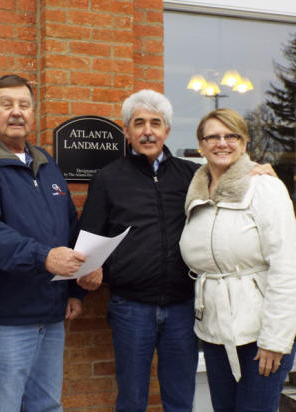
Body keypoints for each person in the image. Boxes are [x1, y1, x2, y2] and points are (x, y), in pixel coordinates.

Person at [0, 74, 101, 412]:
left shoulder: (46, 163)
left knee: (46, 406)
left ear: (33, 114)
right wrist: (44, 257)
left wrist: (76, 287)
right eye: (7, 104)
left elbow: (69, 227)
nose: (16, 112)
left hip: (51, 317)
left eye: (24, 105)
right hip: (5, 319)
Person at [78, 89, 200, 412]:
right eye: (139, 123)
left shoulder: (191, 176)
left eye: (155, 123)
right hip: (131, 308)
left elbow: (229, 187)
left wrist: (258, 170)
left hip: (183, 307)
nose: (148, 131)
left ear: (167, 131)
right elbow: (89, 235)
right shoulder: (107, 178)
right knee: (132, 401)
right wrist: (87, 273)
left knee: (180, 400)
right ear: (126, 131)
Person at [179, 108, 296, 412]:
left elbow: (286, 265)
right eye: (213, 137)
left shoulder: (264, 186)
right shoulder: (196, 192)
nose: (222, 143)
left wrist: (275, 339)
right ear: (201, 145)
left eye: (231, 136)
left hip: (261, 331)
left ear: (244, 142)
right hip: (216, 332)